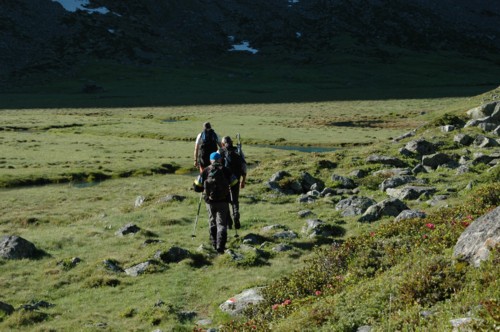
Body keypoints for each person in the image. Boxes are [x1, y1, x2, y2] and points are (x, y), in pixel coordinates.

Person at [193, 152, 238, 254]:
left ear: (210, 160)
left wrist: (203, 189)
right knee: (222, 223)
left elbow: (196, 187)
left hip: (210, 202)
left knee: (212, 221)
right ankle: (220, 246)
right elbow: (235, 183)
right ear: (220, 160)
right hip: (223, 201)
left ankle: (214, 243)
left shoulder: (205, 171)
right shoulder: (226, 170)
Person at [219, 136, 247, 229]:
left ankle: (229, 223)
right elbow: (243, 165)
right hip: (236, 178)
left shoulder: (220, 151)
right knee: (235, 200)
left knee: (225, 201)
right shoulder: (238, 151)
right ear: (231, 142)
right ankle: (236, 216)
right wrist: (243, 180)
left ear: (223, 144)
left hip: (224, 180)